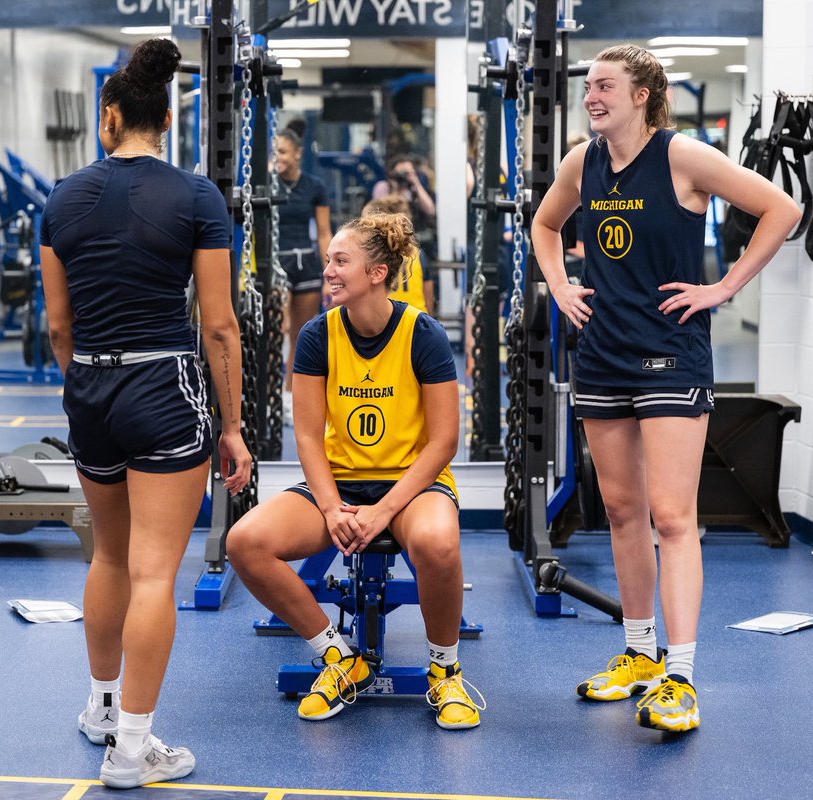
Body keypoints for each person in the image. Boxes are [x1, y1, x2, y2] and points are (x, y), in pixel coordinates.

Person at [531, 44, 800, 733]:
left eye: (605, 86)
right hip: (603, 355)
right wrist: (560, 286)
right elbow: (544, 225)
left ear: (644, 94)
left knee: (673, 516)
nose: (592, 97)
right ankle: (639, 656)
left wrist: (724, 287)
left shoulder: (682, 158)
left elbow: (781, 210)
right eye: (588, 87)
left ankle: (680, 676)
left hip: (669, 356)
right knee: (621, 511)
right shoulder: (580, 163)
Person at [39, 38, 253, 788]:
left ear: (108, 119)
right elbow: (219, 324)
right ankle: (131, 751)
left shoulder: (61, 199)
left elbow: (58, 327)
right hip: (164, 390)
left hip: (91, 390)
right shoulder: (196, 197)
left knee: (108, 555)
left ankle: (101, 708)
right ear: (166, 120)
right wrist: (229, 425)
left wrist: (86, 386)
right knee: (156, 573)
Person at [226, 212, 484, 730]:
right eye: (328, 261)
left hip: (412, 485)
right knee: (244, 542)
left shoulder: (423, 335)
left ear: (377, 272)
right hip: (340, 483)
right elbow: (306, 435)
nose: (329, 271)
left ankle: (445, 670)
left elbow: (443, 443)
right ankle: (339, 658)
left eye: (341, 261)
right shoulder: (317, 336)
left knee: (437, 543)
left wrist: (382, 511)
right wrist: (330, 506)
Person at [273, 127, 332, 412]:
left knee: (300, 333)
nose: (278, 158)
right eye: (275, 153)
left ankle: (289, 395)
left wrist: (330, 272)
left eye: (283, 152)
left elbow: (323, 233)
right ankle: (271, 392)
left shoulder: (314, 186)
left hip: (306, 263)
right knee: (277, 329)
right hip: (276, 264)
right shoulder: (267, 185)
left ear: (297, 154)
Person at [361, 195, 433, 316]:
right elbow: (428, 299)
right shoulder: (418, 254)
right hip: (417, 320)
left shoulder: (371, 255)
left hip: (387, 322)